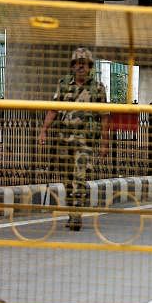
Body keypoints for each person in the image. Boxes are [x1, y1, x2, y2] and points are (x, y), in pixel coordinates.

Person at [38, 47, 109, 231]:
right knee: (67, 180)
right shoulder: (63, 85)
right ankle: (72, 212)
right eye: (77, 64)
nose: (80, 67)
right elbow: (53, 109)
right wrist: (44, 130)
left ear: (90, 66)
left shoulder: (98, 88)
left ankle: (76, 216)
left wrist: (104, 142)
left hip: (85, 142)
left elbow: (105, 117)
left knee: (79, 178)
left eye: (84, 64)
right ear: (72, 66)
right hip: (64, 140)